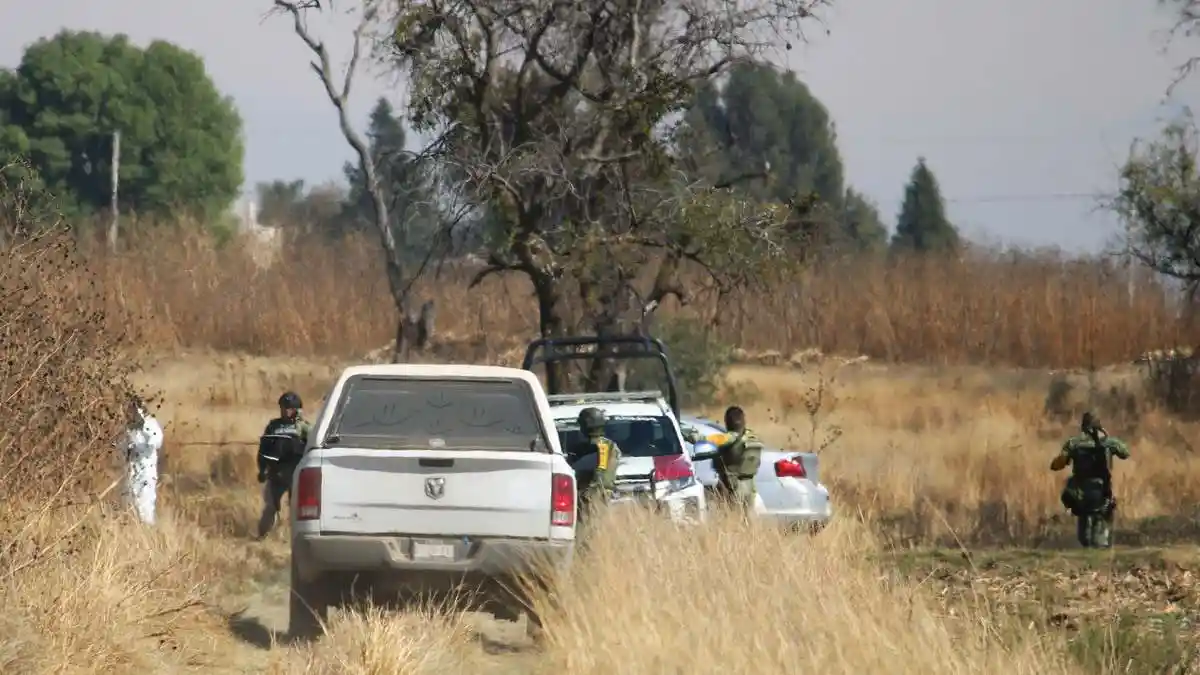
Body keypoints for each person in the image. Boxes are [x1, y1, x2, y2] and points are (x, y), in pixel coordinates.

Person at [1052, 411, 1130, 548]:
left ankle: (1088, 549)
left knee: (1085, 537)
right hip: (1102, 493)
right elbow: (1125, 453)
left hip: (1081, 495)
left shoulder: (1074, 443)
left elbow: (1056, 465)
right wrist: (1105, 436)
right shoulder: (1108, 443)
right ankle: (1098, 553)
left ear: (1083, 425)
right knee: (1101, 537)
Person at [256, 391, 312, 539]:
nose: (286, 411)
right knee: (270, 507)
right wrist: (262, 469)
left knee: (296, 510)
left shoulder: (304, 428)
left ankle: (297, 538)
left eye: (290, 408)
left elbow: (312, 449)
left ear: (297, 410)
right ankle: (262, 536)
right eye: (283, 407)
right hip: (276, 474)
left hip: (296, 474)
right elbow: (264, 448)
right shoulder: (273, 426)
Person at [564, 407, 622, 530]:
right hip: (585, 499)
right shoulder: (588, 447)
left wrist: (588, 493)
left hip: (593, 499)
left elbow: (602, 477)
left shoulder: (604, 447)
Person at [709, 406, 764, 516]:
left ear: (727, 422)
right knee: (749, 521)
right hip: (750, 488)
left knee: (731, 520)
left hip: (732, 489)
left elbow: (717, 464)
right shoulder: (753, 438)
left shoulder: (727, 440)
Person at [121, 395, 164, 525]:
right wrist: (127, 448)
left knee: (145, 507)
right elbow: (120, 447)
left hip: (146, 473)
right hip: (131, 472)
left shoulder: (151, 424)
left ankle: (148, 534)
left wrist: (144, 427)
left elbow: (156, 442)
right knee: (130, 505)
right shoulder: (128, 428)